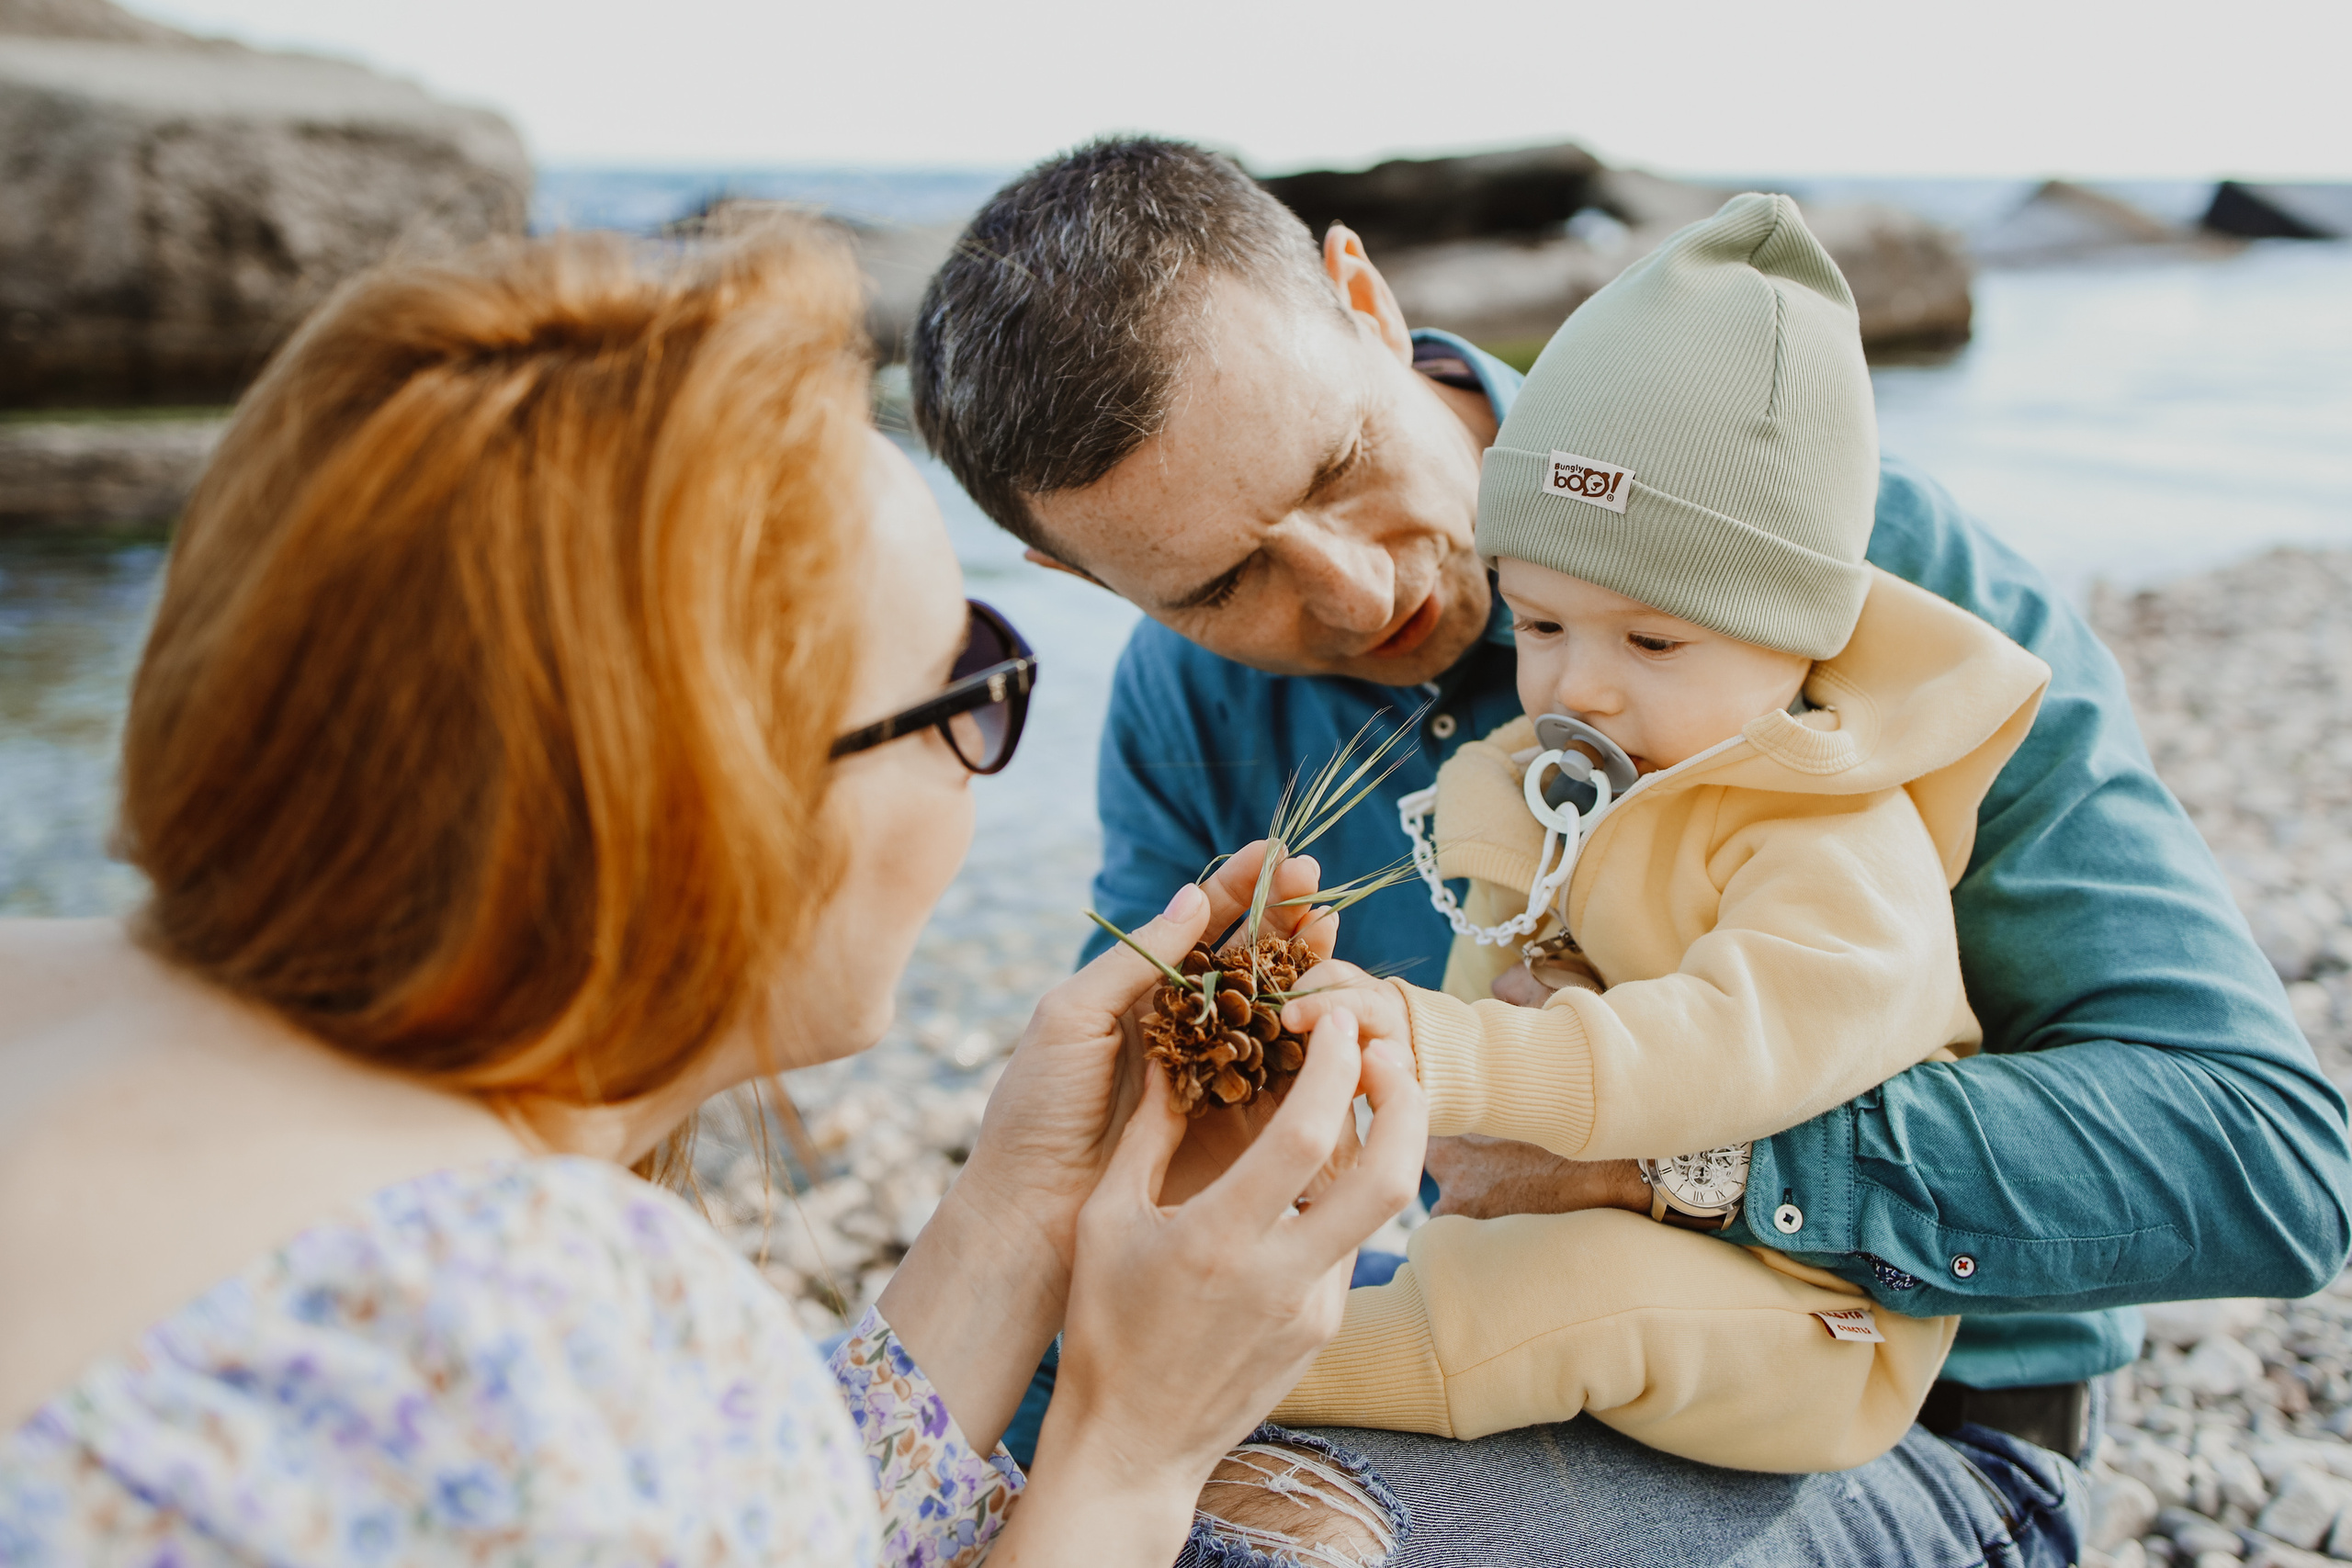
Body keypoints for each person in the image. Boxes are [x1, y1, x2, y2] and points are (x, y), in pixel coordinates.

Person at [910, 137, 2352, 1563]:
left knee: (1274, 1547)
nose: (1353, 595)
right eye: (1223, 582)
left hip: (1909, 1415)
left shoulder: (1837, 560)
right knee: (1006, 1467)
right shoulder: (1186, 703)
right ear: (1083, 581)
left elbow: (2268, 1166)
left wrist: (1664, 1162)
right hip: (1472, 1331)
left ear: (1367, 299)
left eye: (1342, 464)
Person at [0, 224, 1430, 1567]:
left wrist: (1014, 1217)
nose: (981, 761)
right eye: (964, 683)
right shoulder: (538, 1327)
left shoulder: (49, 989)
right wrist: (1136, 1446)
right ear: (713, 808)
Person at [1267, 193, 2052, 1470]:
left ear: (1803, 640)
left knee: (1556, 1294)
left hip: (1810, 1320)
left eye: (1653, 640)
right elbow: (1487, 1012)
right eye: (1541, 625)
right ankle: (1307, 1335)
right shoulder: (1560, 776)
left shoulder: (1837, 838)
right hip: (1546, 1244)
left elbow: (1710, 1056)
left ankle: (1274, 1375)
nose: (1582, 686)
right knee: (1494, 1261)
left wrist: (1444, 1050)